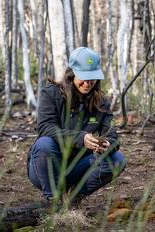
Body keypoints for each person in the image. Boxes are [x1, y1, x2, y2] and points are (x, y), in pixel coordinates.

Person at [27, 47, 126, 205]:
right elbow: (45, 127)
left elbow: (113, 135)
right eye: (83, 78)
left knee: (117, 159)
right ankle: (54, 201)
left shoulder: (101, 103)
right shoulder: (51, 94)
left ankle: (74, 198)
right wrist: (81, 138)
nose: (87, 83)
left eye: (92, 78)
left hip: (77, 168)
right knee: (43, 144)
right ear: (71, 74)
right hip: (47, 168)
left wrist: (108, 144)